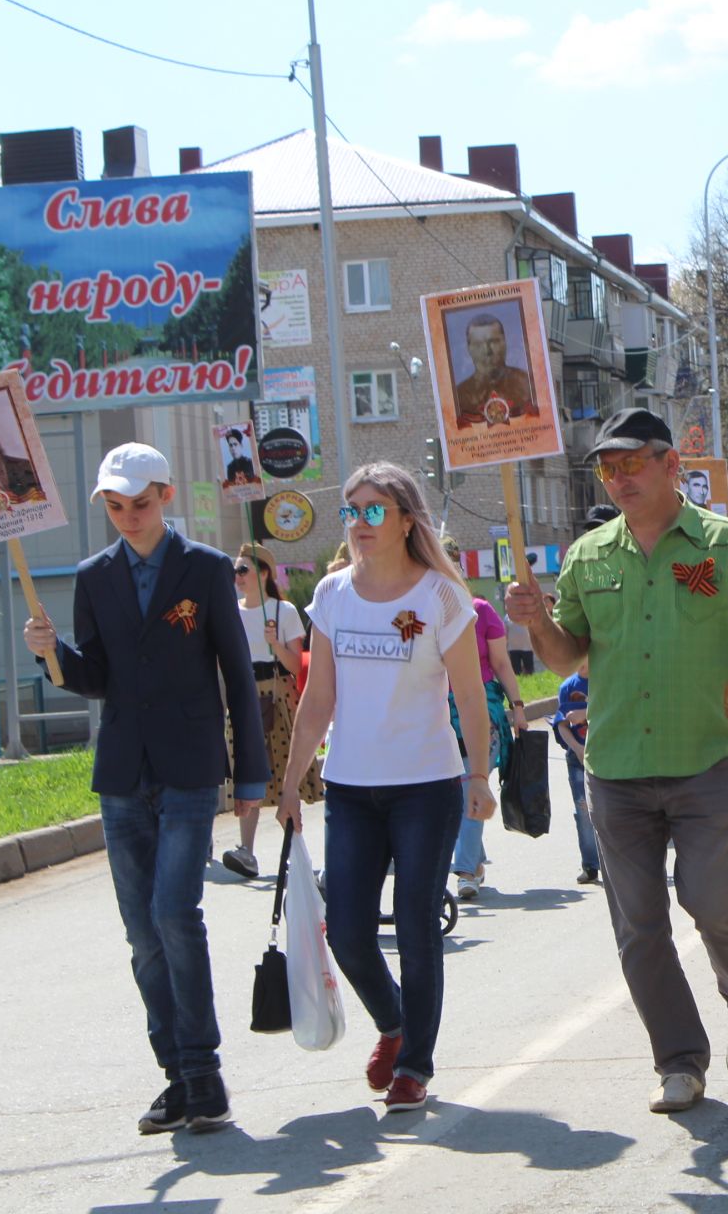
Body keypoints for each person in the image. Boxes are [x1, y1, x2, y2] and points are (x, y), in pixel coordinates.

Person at [503, 407, 728, 1115]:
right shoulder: (588, 555)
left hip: (706, 762)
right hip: (617, 768)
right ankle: (680, 1061)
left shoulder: (724, 547)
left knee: (712, 901)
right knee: (638, 924)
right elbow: (567, 656)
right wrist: (538, 622)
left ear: (670, 465)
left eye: (634, 461)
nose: (620, 476)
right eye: (608, 466)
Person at [21, 443, 266, 1135]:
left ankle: (205, 1072)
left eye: (141, 503)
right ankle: (177, 1078)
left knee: (173, 912)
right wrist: (51, 656)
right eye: (116, 506)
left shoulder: (208, 569)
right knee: (141, 934)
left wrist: (251, 774)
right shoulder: (93, 576)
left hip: (190, 769)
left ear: (165, 495)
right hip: (123, 775)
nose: (129, 517)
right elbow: (96, 675)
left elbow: (237, 677)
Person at [275, 463, 496, 1114]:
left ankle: (414, 1066)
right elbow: (317, 701)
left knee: (417, 927)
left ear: (406, 520)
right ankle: (393, 1021)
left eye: (375, 510)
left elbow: (469, 698)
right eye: (352, 510)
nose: (361, 522)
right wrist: (291, 785)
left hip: (426, 787)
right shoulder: (332, 596)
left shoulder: (440, 598)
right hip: (350, 788)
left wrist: (478, 774)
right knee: (345, 931)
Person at [221, 544, 323, 878]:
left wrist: (275, 645)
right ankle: (246, 850)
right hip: (242, 695)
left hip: (277, 693)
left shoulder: (284, 612)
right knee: (245, 769)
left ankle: (295, 850)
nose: (237, 577)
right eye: (235, 571)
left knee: (281, 770)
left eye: (243, 570)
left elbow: (297, 664)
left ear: (262, 573)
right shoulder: (230, 611)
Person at [442, 536, 528, 901]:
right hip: (436, 710)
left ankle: (464, 870)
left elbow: (502, 663)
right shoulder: (418, 611)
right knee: (449, 791)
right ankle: (473, 860)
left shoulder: (480, 611)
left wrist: (519, 708)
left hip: (481, 710)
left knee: (471, 783)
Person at [551, 665, 601, 884]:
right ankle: (590, 865)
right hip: (577, 758)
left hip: (606, 755)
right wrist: (577, 748)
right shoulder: (568, 687)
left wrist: (587, 713)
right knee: (583, 811)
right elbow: (561, 724)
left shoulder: (605, 680)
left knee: (611, 810)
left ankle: (617, 863)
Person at [452, 314, 538, 426]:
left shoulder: (527, 383)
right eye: (478, 344)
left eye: (493, 342)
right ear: (469, 349)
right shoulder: (459, 396)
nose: (487, 351)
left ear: (505, 343)